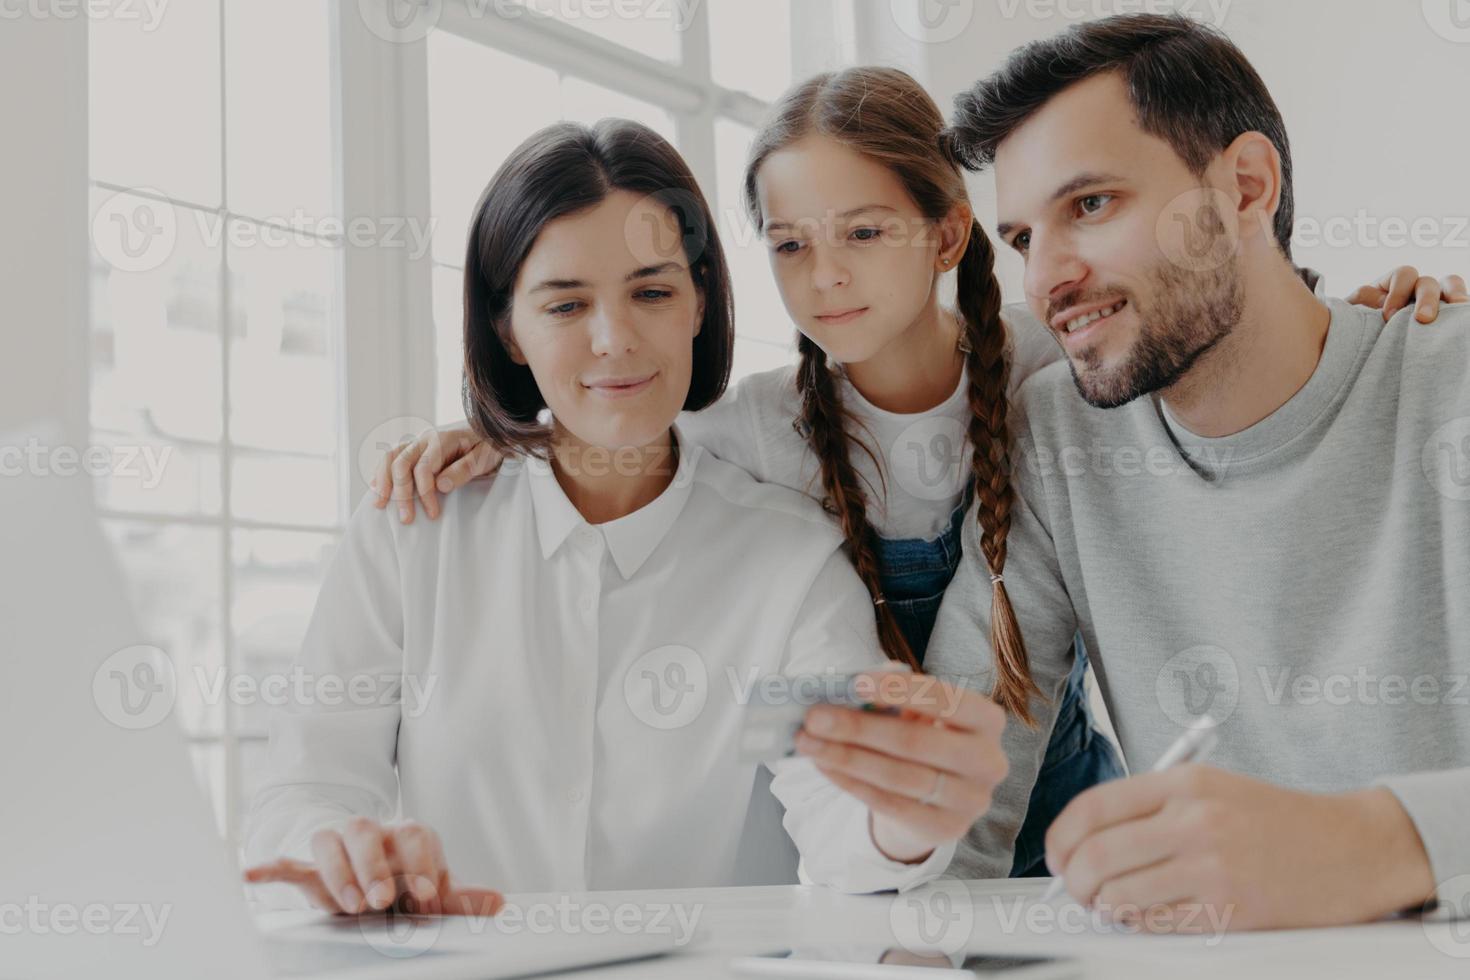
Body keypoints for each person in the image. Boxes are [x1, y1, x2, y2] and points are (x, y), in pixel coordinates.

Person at [241, 118, 1007, 916]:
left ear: (700, 303)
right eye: (567, 305)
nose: (615, 341)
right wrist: (343, 853)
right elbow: (306, 789)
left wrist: (906, 812)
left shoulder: (788, 560)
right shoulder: (414, 530)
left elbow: (839, 817)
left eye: (652, 292)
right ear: (508, 328)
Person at [924, 12, 1470, 930]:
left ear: (1247, 189)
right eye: (1022, 238)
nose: (1047, 276)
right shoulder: (1057, 440)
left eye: (1090, 205)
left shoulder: (1449, 385)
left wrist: (1367, 846)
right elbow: (959, 789)